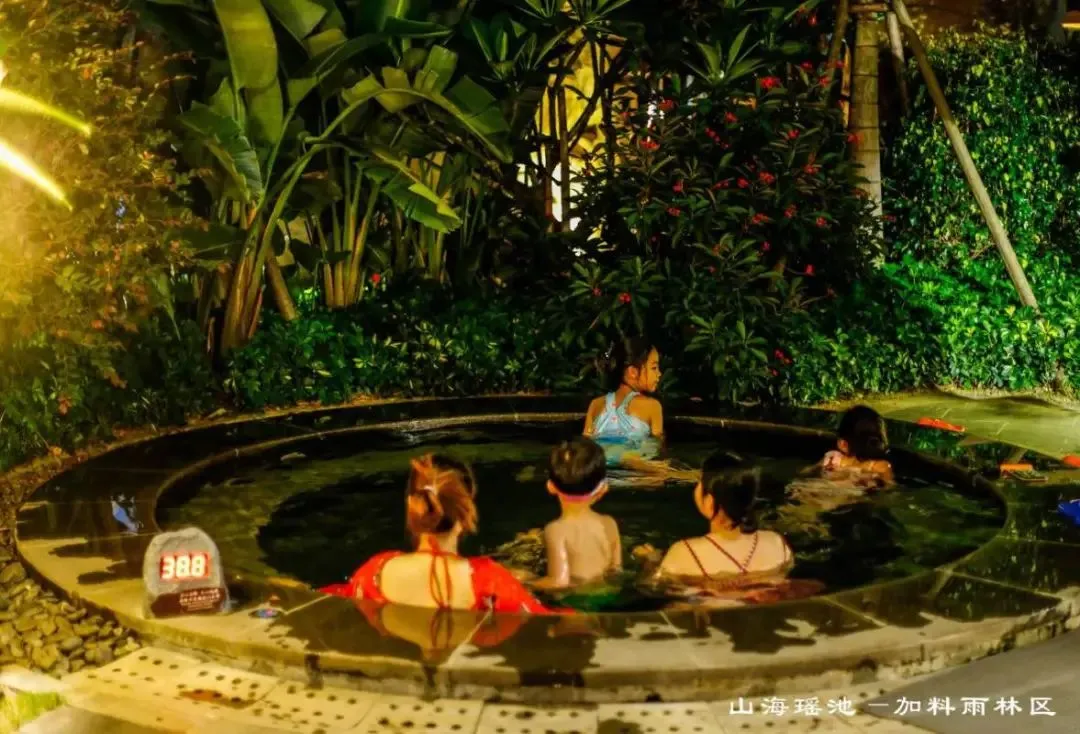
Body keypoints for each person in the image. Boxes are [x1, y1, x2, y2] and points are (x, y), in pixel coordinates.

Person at [320, 454, 561, 614]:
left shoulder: (374, 572)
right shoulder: (491, 581)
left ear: (412, 508)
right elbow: (547, 623)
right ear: (466, 512)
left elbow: (335, 595)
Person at [645, 451, 793, 582]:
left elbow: (654, 586)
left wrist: (650, 562)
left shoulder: (685, 552)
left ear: (710, 502)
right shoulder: (777, 544)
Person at [531, 437, 622, 590]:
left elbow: (560, 582)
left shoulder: (555, 530)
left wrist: (526, 581)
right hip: (609, 593)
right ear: (603, 488)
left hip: (575, 599)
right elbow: (616, 571)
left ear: (550, 487)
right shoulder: (609, 523)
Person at [584, 337, 663, 464]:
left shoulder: (595, 404)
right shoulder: (653, 406)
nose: (659, 374)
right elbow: (656, 448)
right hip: (634, 470)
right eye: (654, 368)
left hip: (600, 470)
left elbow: (584, 449)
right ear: (633, 372)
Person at [815, 405, 894, 487]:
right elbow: (888, 487)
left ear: (843, 444)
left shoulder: (833, 460)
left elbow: (809, 472)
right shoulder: (881, 467)